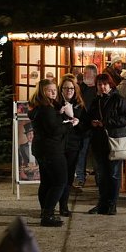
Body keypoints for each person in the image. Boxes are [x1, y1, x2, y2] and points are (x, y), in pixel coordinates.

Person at [29, 78, 76, 227]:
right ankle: (48, 214)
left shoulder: (41, 107)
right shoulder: (46, 109)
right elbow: (55, 130)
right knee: (60, 181)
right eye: (50, 90)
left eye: (55, 90)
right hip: (52, 150)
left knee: (47, 182)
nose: (54, 93)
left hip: (42, 149)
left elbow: (50, 125)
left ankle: (45, 211)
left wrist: (59, 113)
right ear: (42, 92)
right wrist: (70, 124)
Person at [87, 73, 126, 215]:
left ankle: (112, 204)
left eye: (105, 84)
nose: (102, 87)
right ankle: (102, 203)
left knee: (113, 174)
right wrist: (91, 122)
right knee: (101, 174)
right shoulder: (96, 101)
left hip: (114, 140)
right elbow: (89, 116)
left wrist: (106, 123)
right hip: (99, 141)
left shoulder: (118, 99)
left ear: (110, 84)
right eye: (99, 84)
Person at [57, 75, 88, 218]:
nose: (69, 90)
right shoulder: (56, 104)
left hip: (73, 145)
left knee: (68, 177)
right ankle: (48, 206)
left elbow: (85, 126)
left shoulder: (79, 105)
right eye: (66, 88)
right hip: (58, 145)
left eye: (71, 88)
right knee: (58, 177)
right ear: (61, 89)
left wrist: (77, 122)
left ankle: (63, 206)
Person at [74, 64, 99, 188]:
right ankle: (80, 177)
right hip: (83, 126)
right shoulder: (80, 88)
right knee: (82, 153)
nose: (84, 75)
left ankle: (99, 179)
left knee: (97, 154)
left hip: (96, 127)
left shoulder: (99, 89)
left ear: (94, 75)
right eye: (84, 73)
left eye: (87, 73)